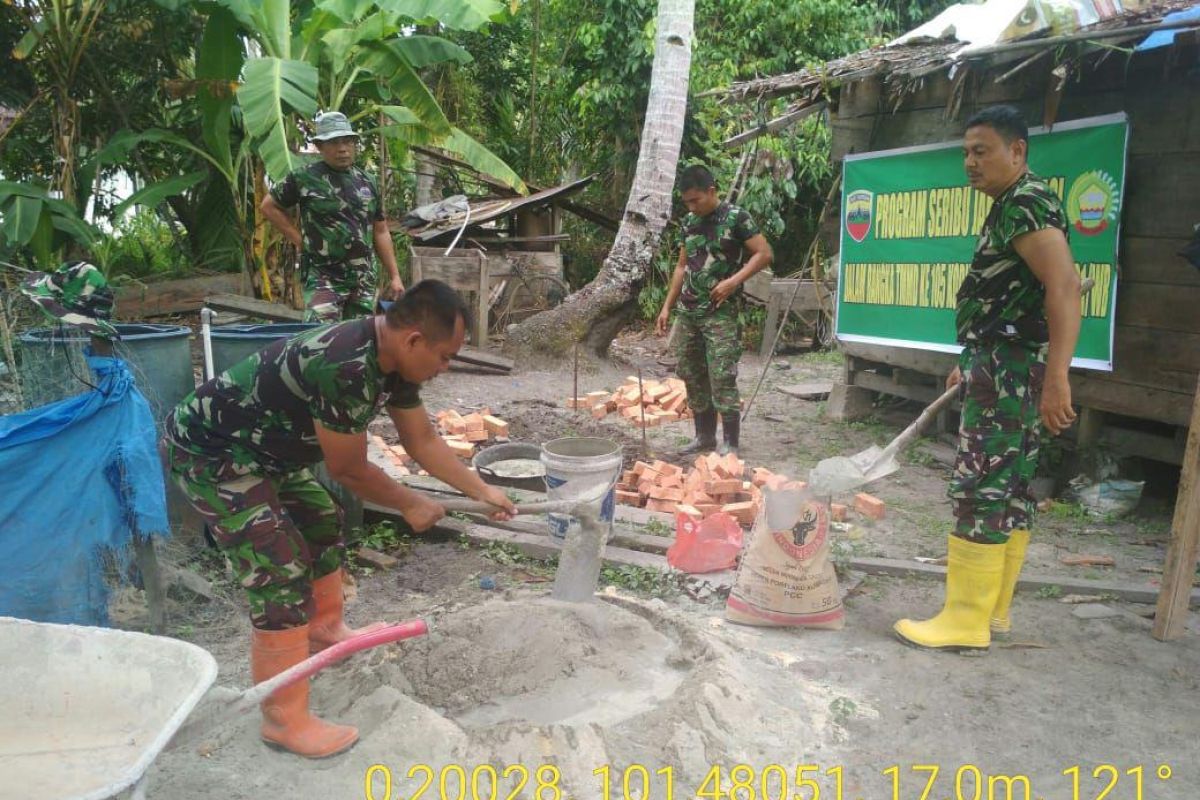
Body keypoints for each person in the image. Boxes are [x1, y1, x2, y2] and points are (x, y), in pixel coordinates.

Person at [163, 280, 516, 757]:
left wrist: (482, 489)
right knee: (278, 566)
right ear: (414, 339)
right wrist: (410, 502)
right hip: (214, 456)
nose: (445, 368)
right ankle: (283, 720)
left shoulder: (395, 361)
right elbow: (348, 469)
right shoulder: (346, 365)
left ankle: (323, 629)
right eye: (445, 356)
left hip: (263, 452)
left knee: (321, 518)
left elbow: (423, 441)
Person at [894, 105, 1081, 652]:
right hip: (1002, 362)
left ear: (1017, 151)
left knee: (981, 485)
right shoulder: (1019, 203)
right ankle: (993, 612)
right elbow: (1017, 295)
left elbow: (1065, 288)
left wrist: (1058, 378)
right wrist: (974, 353)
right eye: (966, 152)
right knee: (1010, 488)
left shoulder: (1023, 203)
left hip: (1012, 371)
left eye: (983, 151)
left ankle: (964, 619)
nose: (970, 162)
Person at [656, 164, 773, 457]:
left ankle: (730, 442)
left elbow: (764, 253)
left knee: (721, 374)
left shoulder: (736, 218)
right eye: (687, 202)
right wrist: (667, 306)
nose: (692, 207)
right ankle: (704, 437)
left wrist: (733, 282)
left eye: (696, 200)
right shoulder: (689, 223)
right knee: (690, 371)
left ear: (711, 191)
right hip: (688, 311)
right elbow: (682, 265)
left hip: (720, 312)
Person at [261, 111, 404, 323]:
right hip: (323, 276)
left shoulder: (368, 181)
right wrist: (299, 240)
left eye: (347, 141)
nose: (342, 149)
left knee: (358, 339)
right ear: (320, 146)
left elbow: (380, 230)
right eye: (334, 142)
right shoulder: (304, 178)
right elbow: (269, 206)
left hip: (363, 278)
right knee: (322, 339)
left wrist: (395, 276)